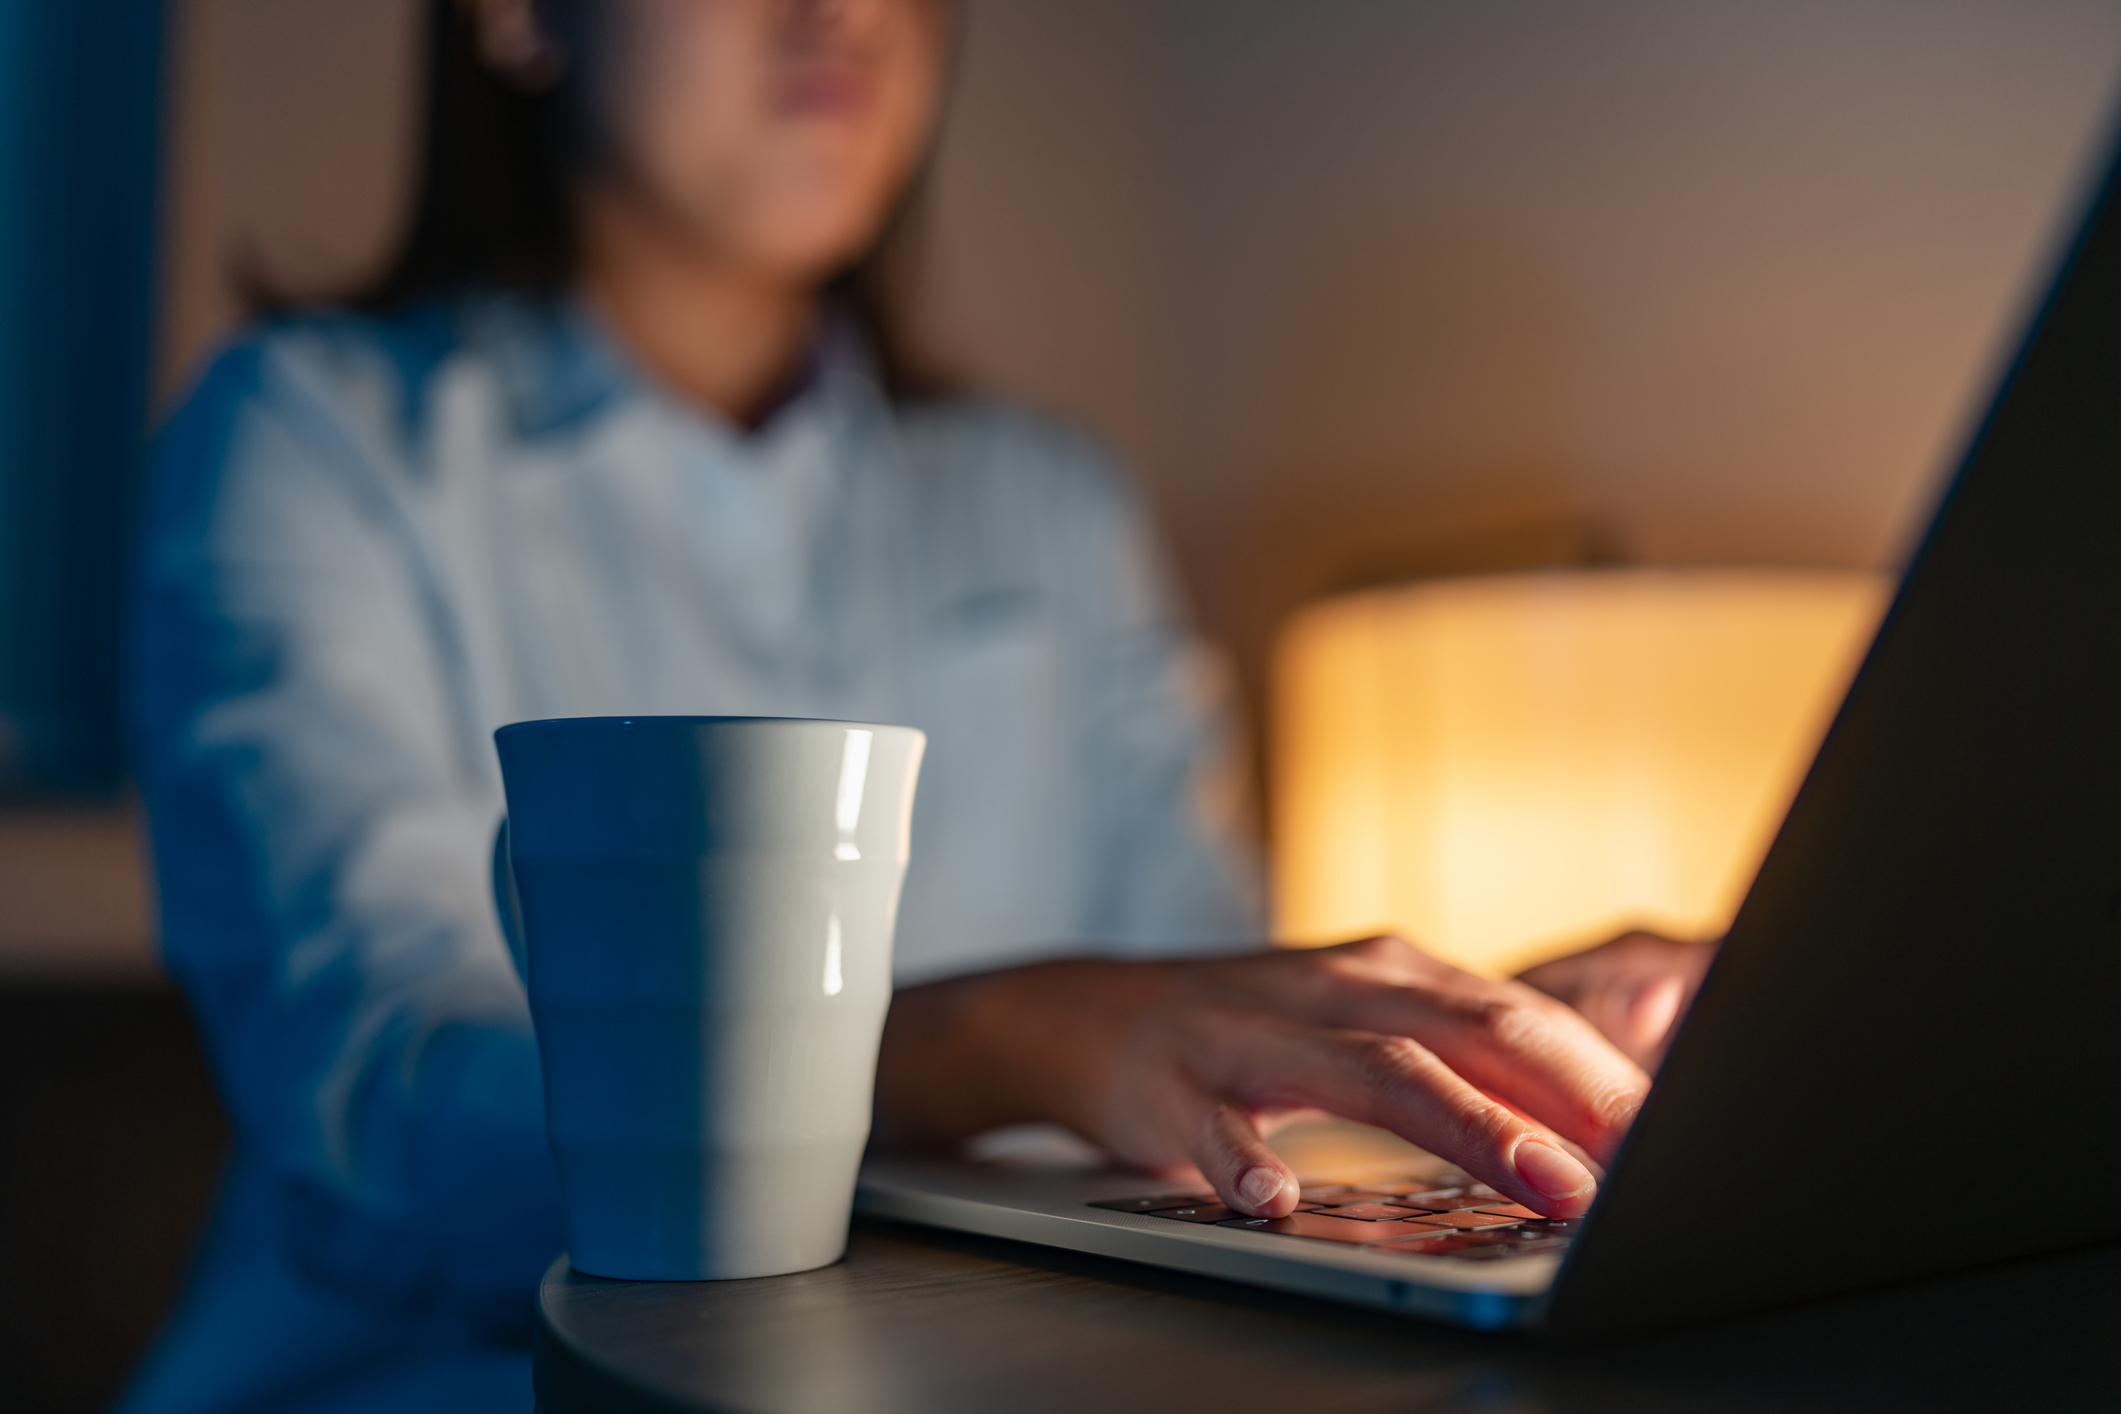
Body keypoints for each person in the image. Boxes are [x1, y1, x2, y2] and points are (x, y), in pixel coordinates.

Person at [120, 2, 1713, 1411]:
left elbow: (1191, 1041)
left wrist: (1487, 1047)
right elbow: (386, 1100)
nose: (851, 15)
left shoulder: (1046, 500)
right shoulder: (315, 438)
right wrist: (997, 1033)